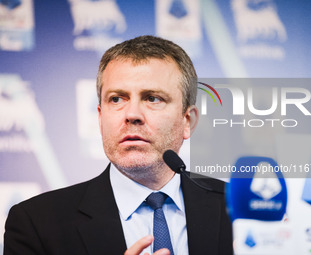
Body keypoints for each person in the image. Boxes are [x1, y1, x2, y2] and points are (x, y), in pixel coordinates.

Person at [4, 35, 233, 255]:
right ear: (100, 117)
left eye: (152, 98)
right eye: (117, 99)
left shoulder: (238, 211)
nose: (132, 114)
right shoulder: (36, 223)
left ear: (188, 121)